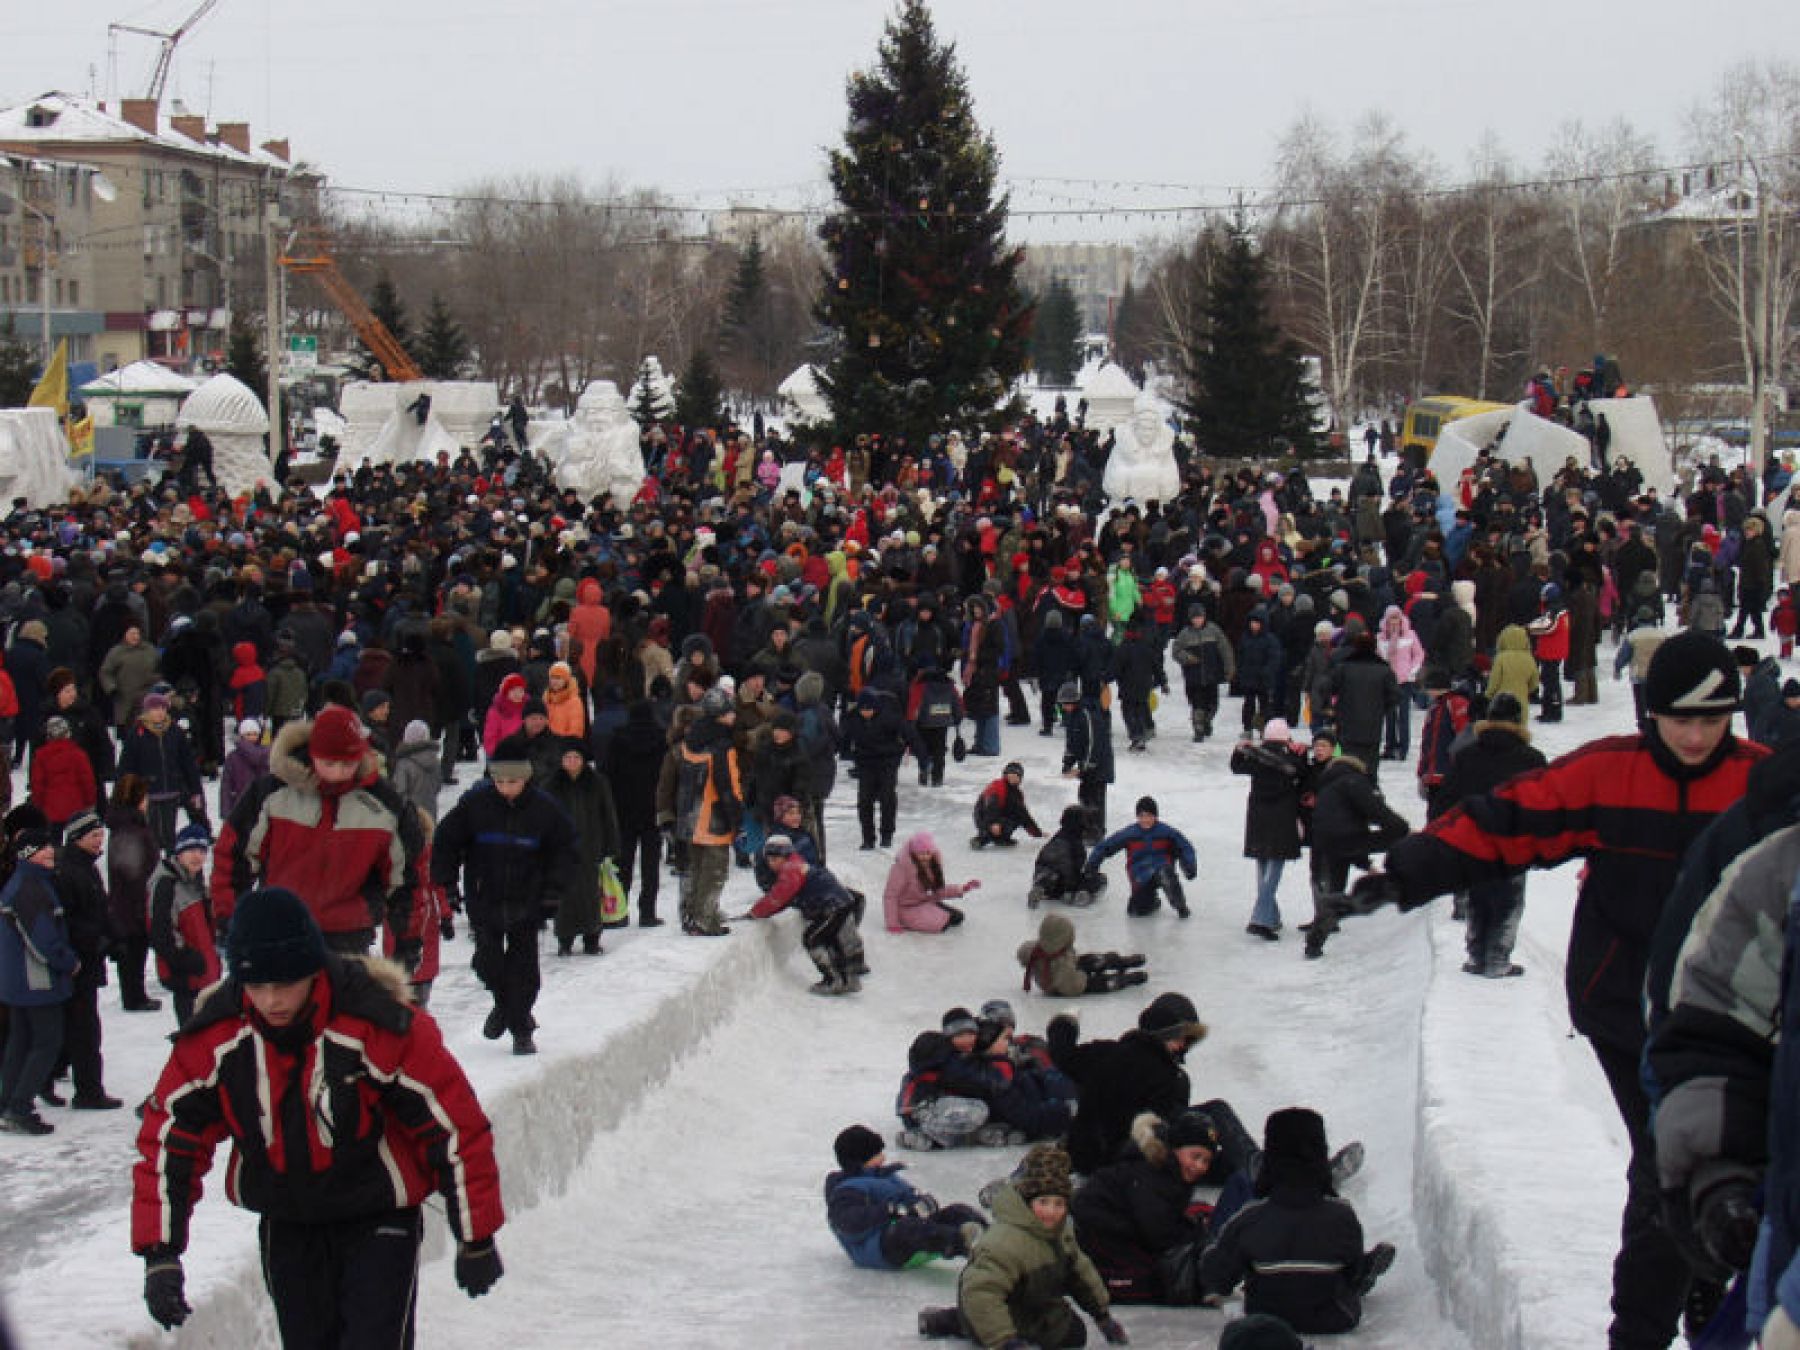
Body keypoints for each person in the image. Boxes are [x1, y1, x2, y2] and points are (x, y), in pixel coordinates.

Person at [1332, 632, 1768, 1349]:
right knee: (1666, 1168)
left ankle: (1699, 1270)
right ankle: (1647, 1325)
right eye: (1680, 719)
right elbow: (1507, 823)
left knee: (1708, 1165)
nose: (1696, 736)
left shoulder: (1760, 785)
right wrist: (1406, 874)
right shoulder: (1611, 773)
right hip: (1628, 1009)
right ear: (1649, 713)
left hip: (1734, 1015)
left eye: (1713, 720)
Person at [130, 886, 505, 1341]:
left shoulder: (375, 1022)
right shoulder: (220, 1040)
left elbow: (453, 1123)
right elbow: (170, 1137)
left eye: (285, 984)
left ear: (312, 971)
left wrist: (476, 1235)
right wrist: (160, 1253)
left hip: (378, 1213)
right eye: (257, 986)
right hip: (289, 1221)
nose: (271, 1001)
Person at [213, 707, 424, 961]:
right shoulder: (272, 794)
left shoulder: (384, 806)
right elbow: (233, 857)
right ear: (312, 756)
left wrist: (407, 941)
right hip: (281, 928)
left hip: (349, 935)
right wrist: (230, 919)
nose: (337, 773)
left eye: (347, 764)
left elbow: (407, 878)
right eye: (329, 763)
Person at [1198, 1108, 1396, 1334]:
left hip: (1266, 1320)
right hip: (1336, 1318)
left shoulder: (1251, 1217)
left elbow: (1217, 1277)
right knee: (1345, 1270)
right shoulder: (1341, 1216)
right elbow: (1351, 1270)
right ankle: (1353, 1272)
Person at [432, 746, 577, 1054]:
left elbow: (565, 850)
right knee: (488, 962)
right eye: (500, 782)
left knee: (526, 971)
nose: (506, 789)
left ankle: (520, 1030)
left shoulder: (545, 809)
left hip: (528, 899)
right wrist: (447, 883)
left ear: (525, 778)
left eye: (513, 782)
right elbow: (446, 842)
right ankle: (510, 1010)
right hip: (485, 897)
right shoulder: (475, 805)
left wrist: (554, 889)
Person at [917, 1144, 1127, 1348]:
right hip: (991, 1307)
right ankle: (952, 1321)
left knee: (1073, 1335)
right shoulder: (1004, 1242)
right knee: (978, 1319)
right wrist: (1004, 1341)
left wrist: (1102, 1315)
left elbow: (1080, 1272)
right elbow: (981, 1291)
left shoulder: (1062, 1233)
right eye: (1043, 1203)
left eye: (1059, 1204)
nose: (1052, 1212)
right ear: (1028, 1202)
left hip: (1033, 1306)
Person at [1071, 1109, 1257, 1305]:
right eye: (1195, 1157)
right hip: (1113, 1252)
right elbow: (1159, 1231)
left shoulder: (1165, 1174)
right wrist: (1196, 1236)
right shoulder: (1150, 1174)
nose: (1200, 1167)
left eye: (1206, 1161)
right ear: (1175, 1149)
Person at [1437, 693, 1545, 978]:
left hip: (1475, 837)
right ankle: (1498, 959)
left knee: (1478, 895)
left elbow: (1446, 797)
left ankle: (1476, 955)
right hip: (1514, 840)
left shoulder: (1467, 756)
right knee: (1509, 899)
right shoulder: (1531, 758)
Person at [1049, 991, 1208, 1174]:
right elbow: (1164, 1131)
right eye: (1178, 1039)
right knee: (1216, 1112)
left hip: (1084, 1154)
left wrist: (1065, 1023)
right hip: (1123, 1164)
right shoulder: (1169, 1077)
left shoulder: (1105, 1053)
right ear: (1162, 1035)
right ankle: (1248, 1161)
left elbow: (1063, 1055)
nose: (1182, 1046)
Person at [825, 1124, 986, 1270]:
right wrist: (890, 1211)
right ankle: (961, 1243)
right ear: (859, 1161)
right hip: (879, 1248)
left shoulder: (885, 1177)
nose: (883, 1158)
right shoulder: (847, 1189)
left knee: (958, 1211)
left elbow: (909, 1198)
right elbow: (847, 1221)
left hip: (912, 1234)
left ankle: (993, 1240)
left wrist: (923, 1203)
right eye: (876, 1154)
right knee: (908, 1229)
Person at [0, 829, 76, 1135]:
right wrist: (68, 961)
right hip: (36, 981)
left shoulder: (24, 883)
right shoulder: (31, 888)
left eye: (48, 847)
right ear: (26, 855)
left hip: (17, 981)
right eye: (40, 850)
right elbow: (43, 939)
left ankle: (7, 1101)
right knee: (46, 1042)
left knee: (20, 1040)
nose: (49, 853)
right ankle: (19, 1106)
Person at [1302, 749, 1409, 961]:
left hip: (1326, 843)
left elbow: (1340, 820)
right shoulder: (1354, 781)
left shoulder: (1327, 785)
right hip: (1348, 840)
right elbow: (1376, 811)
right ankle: (1407, 870)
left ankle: (1315, 942)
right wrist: (1403, 828)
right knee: (1399, 835)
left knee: (1334, 892)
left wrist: (1362, 861)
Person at [52, 810, 122, 1109]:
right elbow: (70, 921)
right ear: (77, 838)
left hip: (88, 957)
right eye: (94, 836)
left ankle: (53, 1076)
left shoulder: (85, 867)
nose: (99, 842)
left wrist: (112, 937)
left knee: (76, 1025)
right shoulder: (70, 871)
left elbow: (99, 910)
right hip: (79, 962)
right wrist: (100, 939)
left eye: (101, 836)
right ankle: (88, 1090)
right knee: (84, 1028)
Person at [745, 836, 865, 996]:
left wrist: (755, 912)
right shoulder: (797, 863)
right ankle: (848, 977)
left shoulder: (791, 870)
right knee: (829, 938)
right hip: (839, 902)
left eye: (776, 858)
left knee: (812, 938)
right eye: (769, 859)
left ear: (786, 856)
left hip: (833, 906)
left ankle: (835, 980)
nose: (772, 863)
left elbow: (777, 898)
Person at [667, 685, 744, 935]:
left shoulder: (690, 742)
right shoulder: (722, 747)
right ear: (721, 715)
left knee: (693, 869)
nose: (734, 716)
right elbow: (728, 787)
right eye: (730, 712)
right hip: (713, 817)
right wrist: (737, 820)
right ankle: (705, 919)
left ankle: (690, 914)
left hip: (689, 816)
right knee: (714, 871)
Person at [1231, 719, 1308, 941]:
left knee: (1263, 867)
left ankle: (1271, 917)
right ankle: (1261, 919)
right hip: (1283, 818)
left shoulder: (1256, 758)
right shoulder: (1291, 758)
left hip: (1258, 817)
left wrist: (1239, 751)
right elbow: (1303, 772)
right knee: (1273, 871)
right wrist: (1300, 753)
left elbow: (1236, 767)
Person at [544, 736, 619, 957]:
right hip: (561, 850)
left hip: (590, 846)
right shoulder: (551, 785)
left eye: (576, 757)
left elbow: (608, 815)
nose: (572, 761)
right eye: (567, 757)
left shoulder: (597, 782)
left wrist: (610, 845)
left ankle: (592, 937)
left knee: (590, 894)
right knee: (564, 896)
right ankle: (564, 939)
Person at [148, 823, 219, 1028]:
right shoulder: (166, 884)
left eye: (201, 850)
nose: (197, 856)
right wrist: (189, 959)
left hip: (205, 975)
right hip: (186, 977)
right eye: (190, 850)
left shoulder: (195, 882)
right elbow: (161, 932)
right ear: (179, 853)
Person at [1085, 797, 1197, 919]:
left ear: (1155, 816)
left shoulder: (1166, 832)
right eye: (1141, 816)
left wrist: (1189, 866)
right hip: (1140, 876)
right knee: (1136, 911)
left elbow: (1185, 847)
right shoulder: (1130, 833)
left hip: (1162, 869)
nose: (1145, 820)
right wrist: (1092, 865)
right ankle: (1152, 901)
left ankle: (1181, 906)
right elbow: (1105, 847)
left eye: (1149, 816)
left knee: (1165, 875)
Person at [105, 774, 161, 1013]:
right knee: (133, 949)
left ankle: (135, 994)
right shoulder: (131, 828)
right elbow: (132, 871)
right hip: (132, 902)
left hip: (127, 900)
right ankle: (134, 997)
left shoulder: (125, 825)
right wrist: (144, 901)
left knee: (135, 950)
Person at [842, 687, 923, 851]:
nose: (866, 713)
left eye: (869, 709)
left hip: (888, 762)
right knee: (864, 801)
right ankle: (868, 838)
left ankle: (886, 835)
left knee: (887, 798)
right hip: (865, 764)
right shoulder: (853, 719)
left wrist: (923, 756)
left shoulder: (889, 718)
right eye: (863, 709)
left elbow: (910, 735)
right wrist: (846, 753)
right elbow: (844, 739)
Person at [1017, 913, 1148, 996]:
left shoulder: (1037, 950)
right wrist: (1082, 976)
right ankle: (1126, 979)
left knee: (1092, 960)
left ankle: (1119, 962)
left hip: (1068, 968)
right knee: (1100, 982)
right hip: (1063, 985)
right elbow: (1072, 987)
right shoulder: (1062, 967)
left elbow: (1024, 952)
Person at [882, 832, 980, 933]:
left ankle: (932, 911)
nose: (925, 856)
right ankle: (908, 920)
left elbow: (938, 890)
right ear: (913, 852)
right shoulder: (901, 868)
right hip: (906, 908)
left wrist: (962, 888)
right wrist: (892, 923)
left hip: (925, 902)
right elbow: (890, 896)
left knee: (958, 917)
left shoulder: (933, 865)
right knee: (941, 925)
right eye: (921, 853)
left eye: (928, 853)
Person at [1059, 681, 1114, 845]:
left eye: (1067, 704)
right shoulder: (1071, 717)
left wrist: (1084, 766)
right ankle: (1088, 829)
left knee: (1095, 798)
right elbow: (1072, 743)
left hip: (1099, 765)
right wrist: (1067, 762)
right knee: (1084, 796)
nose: (1065, 707)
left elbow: (1093, 743)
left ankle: (1096, 831)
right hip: (1088, 767)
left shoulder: (1086, 714)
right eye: (1063, 705)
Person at [1170, 604, 1235, 743]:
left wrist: (1230, 669)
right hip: (1193, 677)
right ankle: (1198, 729)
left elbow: (1225, 649)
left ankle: (1206, 721)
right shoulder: (1185, 634)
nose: (1197, 620)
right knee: (1197, 704)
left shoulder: (1214, 630)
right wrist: (1187, 658)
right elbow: (1175, 652)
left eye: (1199, 617)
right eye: (1195, 618)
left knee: (1213, 704)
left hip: (1212, 675)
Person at [1030, 804, 1107, 909]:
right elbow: (1077, 867)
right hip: (1066, 885)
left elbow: (1040, 862)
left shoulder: (1054, 840)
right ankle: (1084, 893)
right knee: (1100, 878)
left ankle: (1041, 886)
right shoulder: (1076, 843)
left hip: (1048, 880)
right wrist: (1070, 889)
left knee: (1049, 874)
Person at [971, 760, 1043, 849]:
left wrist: (1037, 833)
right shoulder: (998, 786)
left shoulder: (1017, 794)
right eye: (1010, 774)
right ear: (1005, 775)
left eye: (1016, 776)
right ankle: (981, 839)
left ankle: (1002, 838)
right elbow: (990, 805)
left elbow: (1023, 814)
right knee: (995, 827)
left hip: (996, 816)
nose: (1013, 778)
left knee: (1016, 816)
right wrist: (993, 823)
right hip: (984, 815)